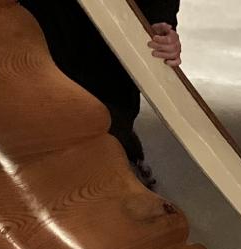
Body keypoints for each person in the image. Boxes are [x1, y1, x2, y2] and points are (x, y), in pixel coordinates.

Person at [20, 0, 182, 186]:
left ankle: (119, 147)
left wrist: (160, 26)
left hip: (105, 71)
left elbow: (159, 18)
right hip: (33, 44)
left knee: (103, 145)